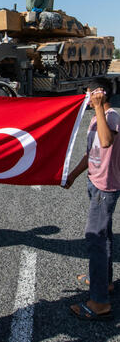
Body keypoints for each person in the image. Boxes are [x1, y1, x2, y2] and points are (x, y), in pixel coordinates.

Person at [64, 78, 120, 321]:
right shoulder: (96, 118)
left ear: (99, 93)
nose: (86, 98)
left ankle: (99, 303)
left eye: (88, 93)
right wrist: (73, 175)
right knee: (104, 236)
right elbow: (91, 152)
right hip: (94, 182)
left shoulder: (112, 116)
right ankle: (104, 283)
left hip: (105, 189)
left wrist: (98, 107)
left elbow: (106, 142)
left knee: (95, 239)